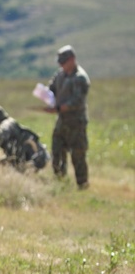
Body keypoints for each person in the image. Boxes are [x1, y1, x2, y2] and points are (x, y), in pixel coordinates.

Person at [44, 45, 91, 189]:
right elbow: (51, 88)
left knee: (78, 154)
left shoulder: (80, 78)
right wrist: (47, 96)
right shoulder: (60, 74)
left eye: (64, 62)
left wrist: (58, 108)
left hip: (76, 122)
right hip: (62, 121)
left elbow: (77, 101)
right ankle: (60, 181)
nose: (61, 65)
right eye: (60, 62)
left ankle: (82, 184)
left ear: (72, 60)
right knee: (57, 151)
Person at [0, 105, 48, 171]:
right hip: (33, 157)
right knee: (1, 164)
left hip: (36, 159)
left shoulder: (6, 124)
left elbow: (1, 135)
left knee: (5, 167)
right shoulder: (9, 123)